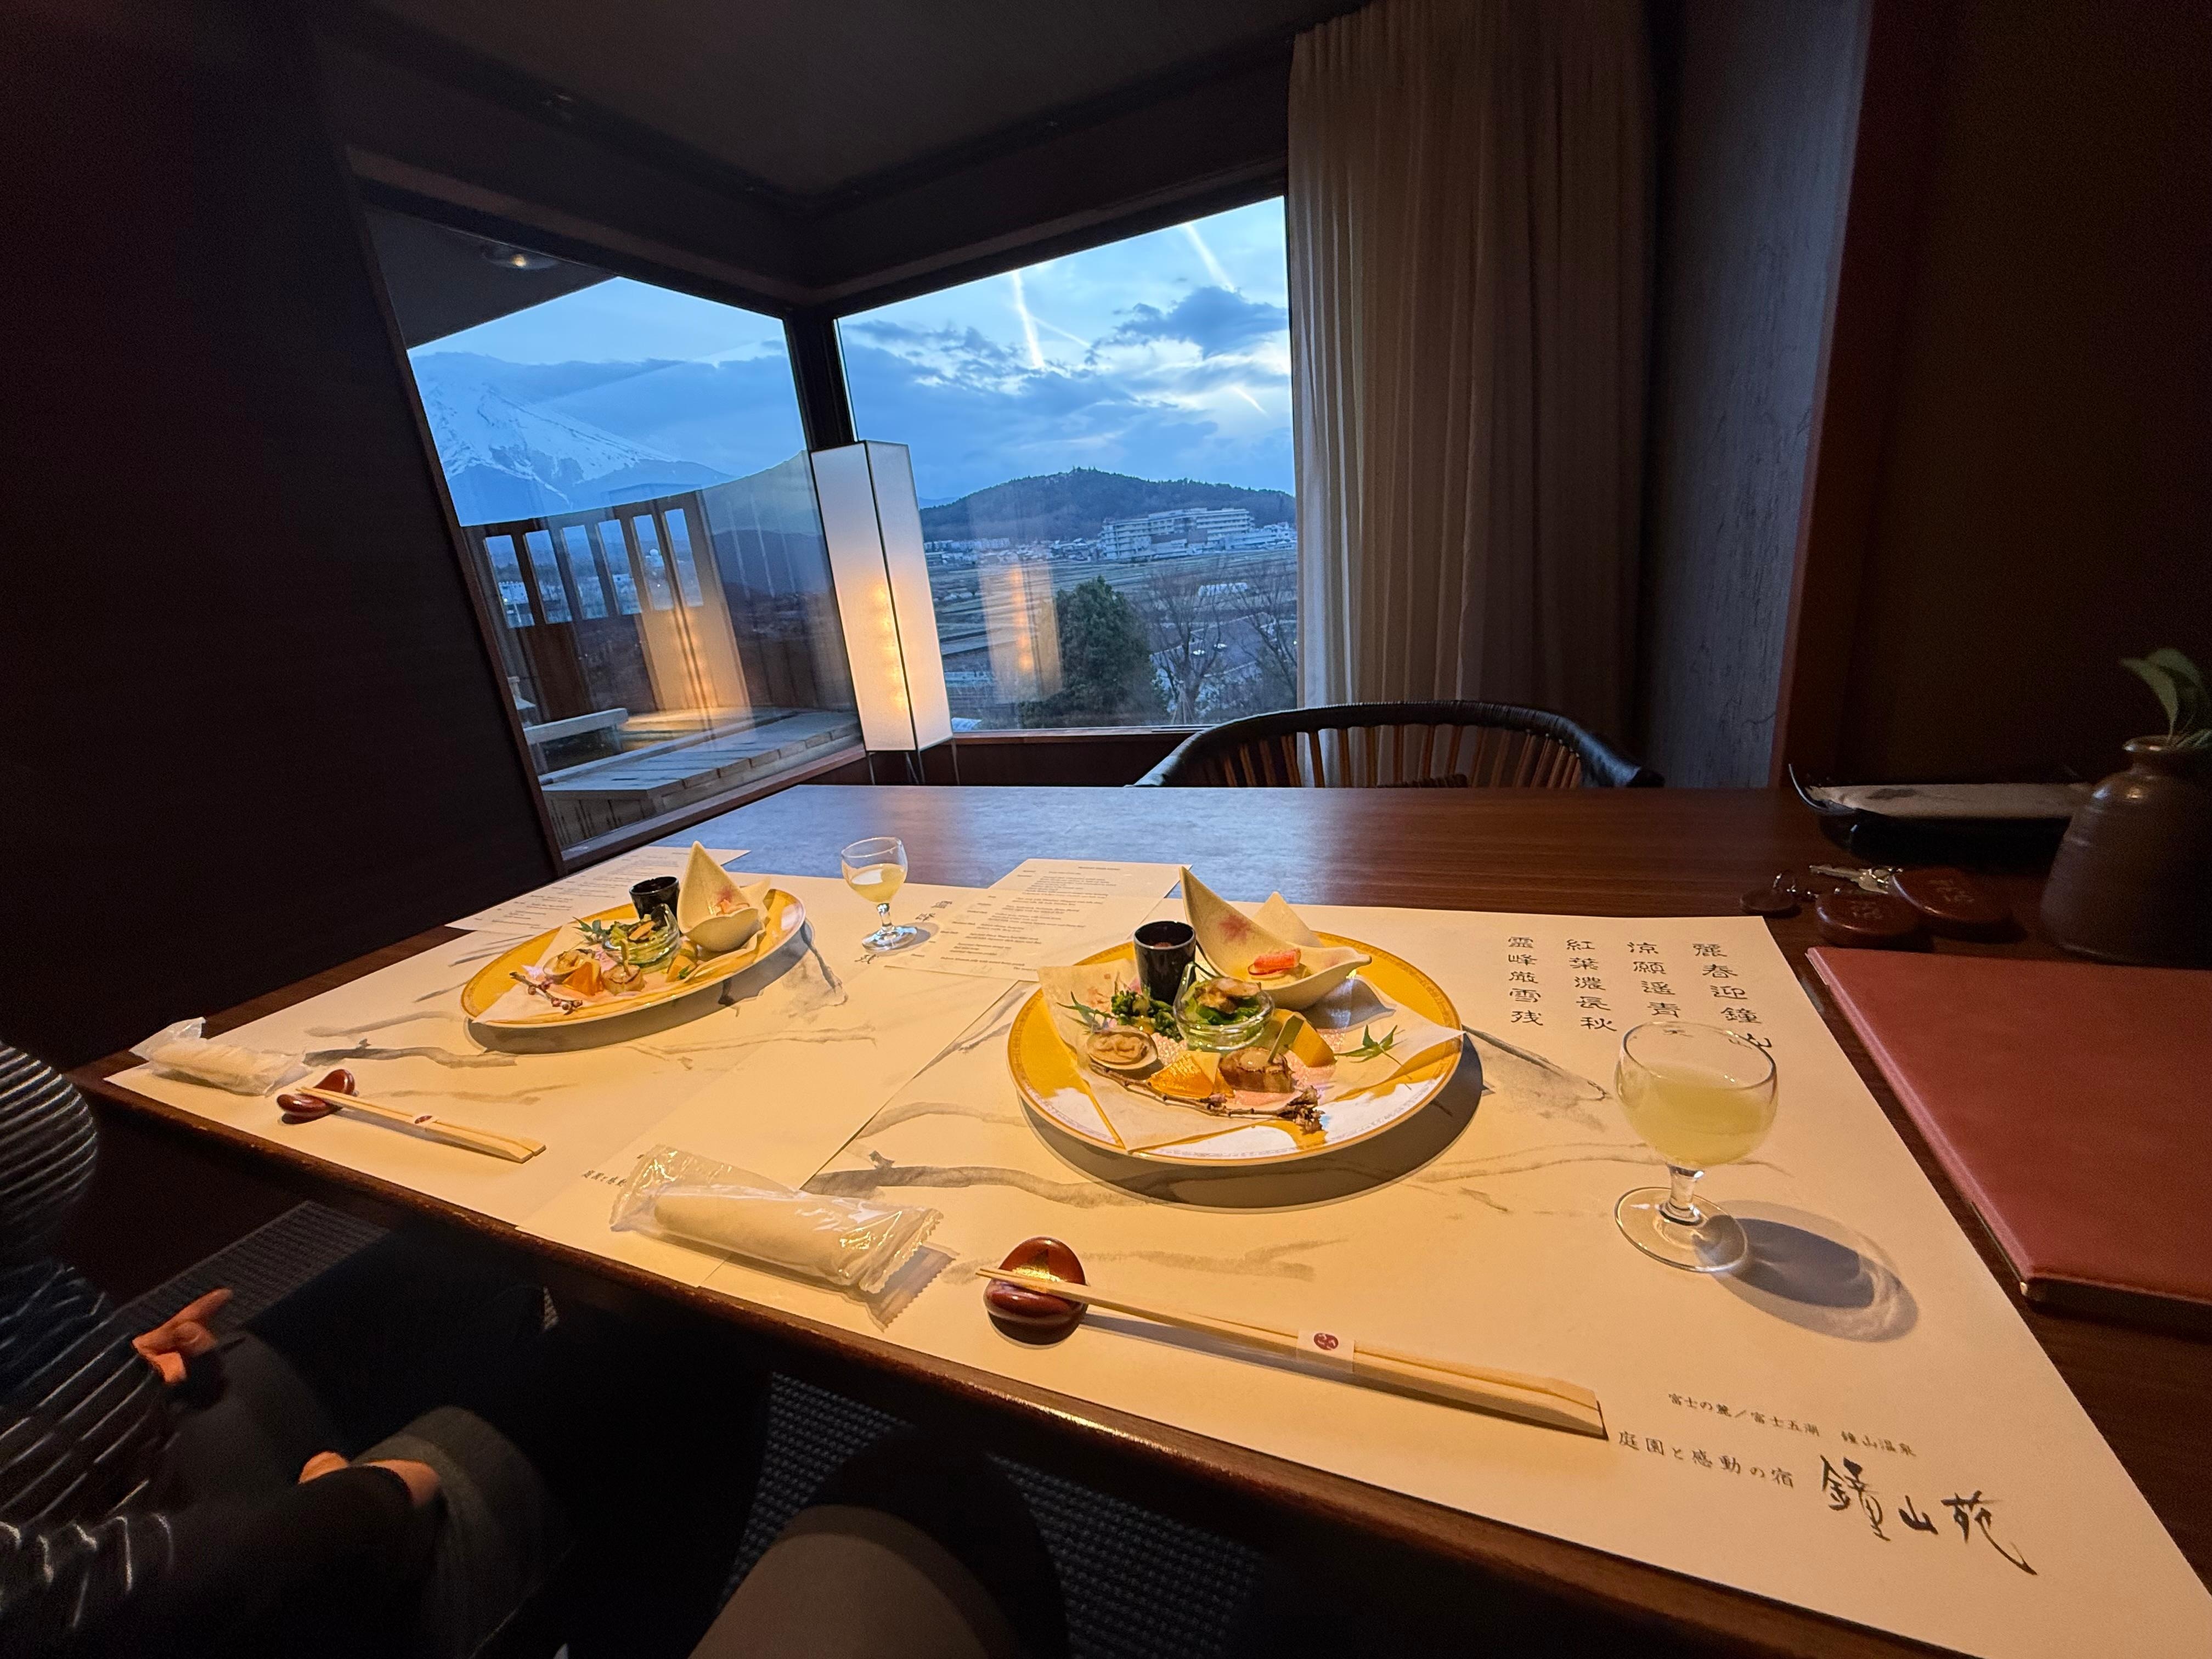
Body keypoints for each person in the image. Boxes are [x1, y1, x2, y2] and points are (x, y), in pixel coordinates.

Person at [0, 1043, 757, 1658]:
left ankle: (541, 1477)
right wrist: (363, 1503)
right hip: (214, 1599)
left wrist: (67, 1380)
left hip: (106, 1449)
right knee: (686, 1339)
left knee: (468, 1251)